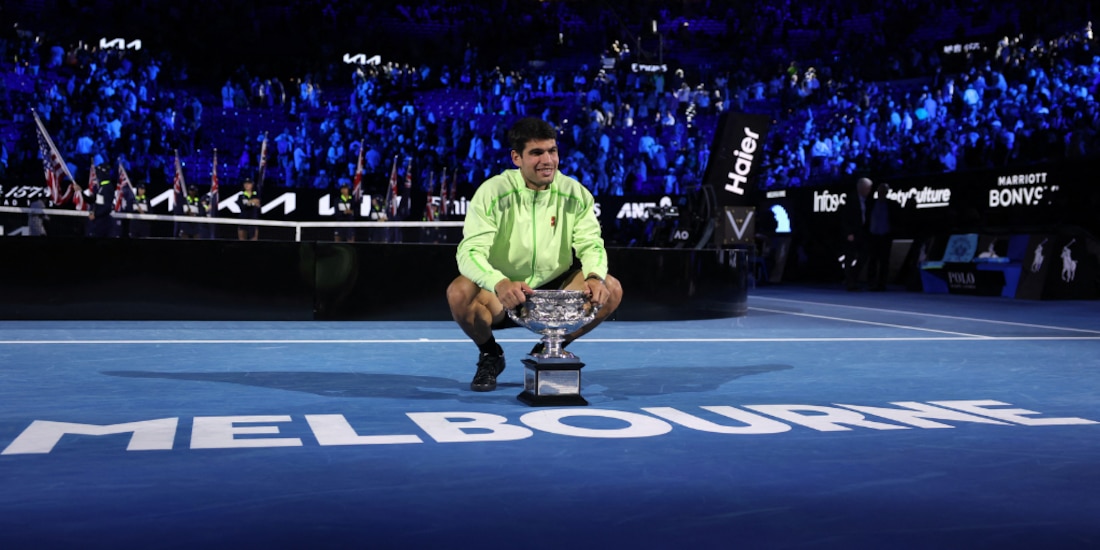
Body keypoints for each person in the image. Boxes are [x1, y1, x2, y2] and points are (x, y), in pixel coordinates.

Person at [447, 117, 623, 392]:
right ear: (516, 157)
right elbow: (469, 252)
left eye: (552, 151)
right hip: (503, 292)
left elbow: (591, 244)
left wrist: (594, 275)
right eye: (536, 153)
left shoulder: (575, 194)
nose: (547, 160)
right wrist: (498, 282)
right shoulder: (492, 192)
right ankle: (491, 355)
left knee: (610, 289)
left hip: (555, 289)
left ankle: (549, 347)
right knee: (459, 292)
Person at [841, 177, 873, 291]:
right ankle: (850, 282)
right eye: (867, 188)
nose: (869, 191)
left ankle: (852, 277)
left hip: (863, 233)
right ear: (861, 188)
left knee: (864, 256)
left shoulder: (868, 200)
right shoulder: (851, 199)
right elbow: (844, 218)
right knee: (849, 258)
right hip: (852, 233)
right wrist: (848, 233)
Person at [865, 182, 894, 291]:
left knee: (884, 262)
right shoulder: (871, 204)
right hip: (873, 236)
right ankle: (871, 283)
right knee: (872, 260)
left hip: (885, 236)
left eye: (884, 191)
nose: (882, 193)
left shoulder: (891, 205)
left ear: (887, 193)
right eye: (880, 191)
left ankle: (882, 284)